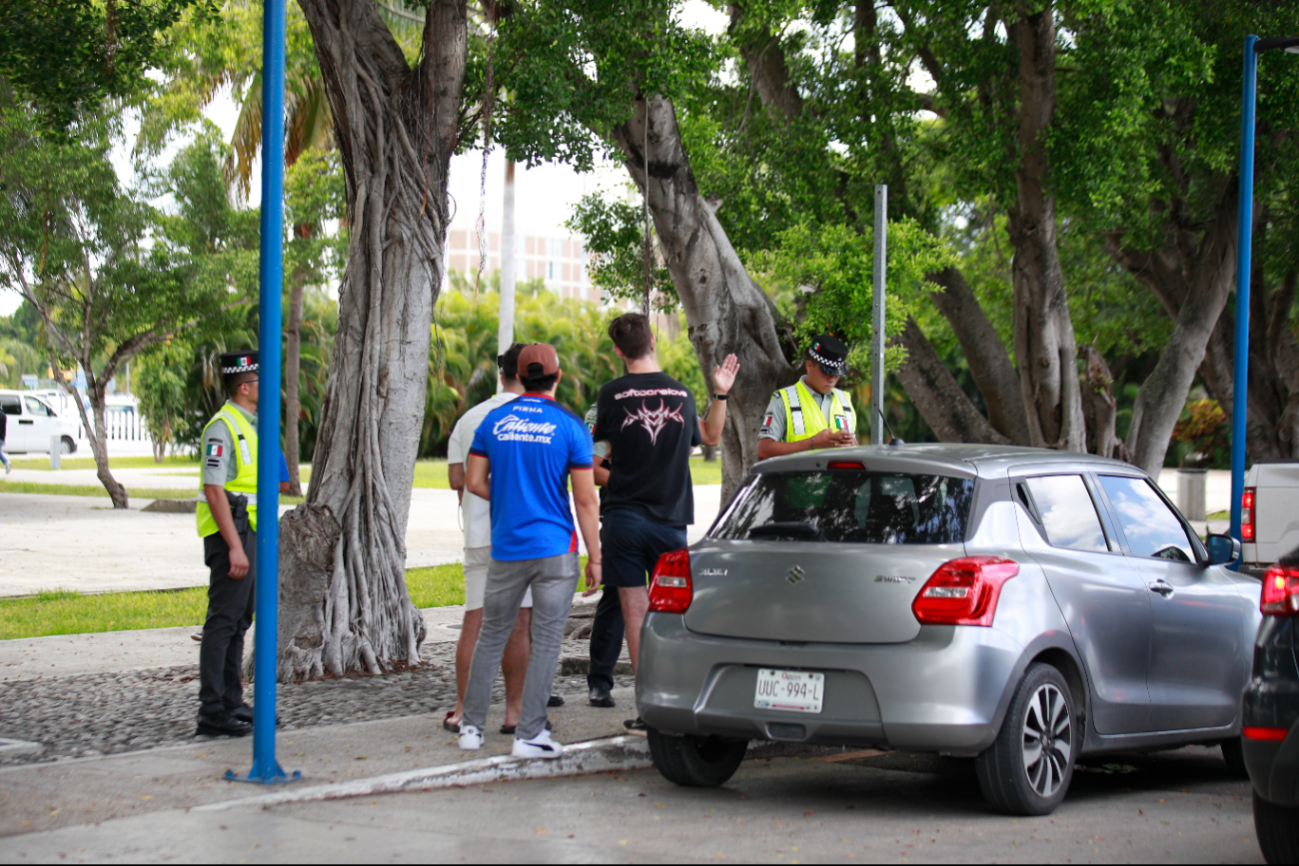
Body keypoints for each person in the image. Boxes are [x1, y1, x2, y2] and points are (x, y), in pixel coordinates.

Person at [588, 313, 738, 727]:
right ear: (653, 340)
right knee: (671, 613)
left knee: (634, 613)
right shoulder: (682, 393)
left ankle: (648, 708)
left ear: (618, 350)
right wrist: (721, 395)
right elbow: (709, 436)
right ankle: (679, 700)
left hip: (623, 520)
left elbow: (597, 455)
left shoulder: (610, 395)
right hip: (670, 521)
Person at [460, 343, 602, 759]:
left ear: (520, 377)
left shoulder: (494, 421)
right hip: (556, 548)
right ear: (556, 376)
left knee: (491, 636)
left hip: (506, 547)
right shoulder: (571, 426)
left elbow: (472, 482)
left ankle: (470, 728)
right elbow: (586, 500)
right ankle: (529, 734)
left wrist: (507, 499)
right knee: (545, 641)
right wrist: (595, 555)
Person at [443, 343, 537, 735]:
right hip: (521, 537)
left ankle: (464, 710)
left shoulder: (470, 418)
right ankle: (514, 712)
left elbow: (455, 479)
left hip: (480, 536)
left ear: (501, 374)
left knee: (475, 621)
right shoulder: (536, 417)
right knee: (519, 624)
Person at [194, 351, 262, 737]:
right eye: (258, 381)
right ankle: (212, 711)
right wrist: (235, 546)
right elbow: (214, 489)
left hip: (248, 531)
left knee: (239, 620)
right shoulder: (222, 426)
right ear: (245, 386)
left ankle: (231, 701)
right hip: (230, 535)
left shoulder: (249, 424)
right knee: (223, 621)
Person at [756, 334, 857, 460]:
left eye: (837, 374)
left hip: (838, 479)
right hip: (797, 479)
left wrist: (852, 445)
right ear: (809, 366)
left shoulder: (845, 401)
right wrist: (813, 443)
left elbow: (854, 447)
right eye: (827, 372)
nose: (832, 379)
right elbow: (763, 451)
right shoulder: (784, 399)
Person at [0, 403, 10, 474]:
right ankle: (6, 463)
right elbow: (4, 428)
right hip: (1, 437)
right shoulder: (3, 415)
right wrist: (3, 439)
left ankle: (6, 462)